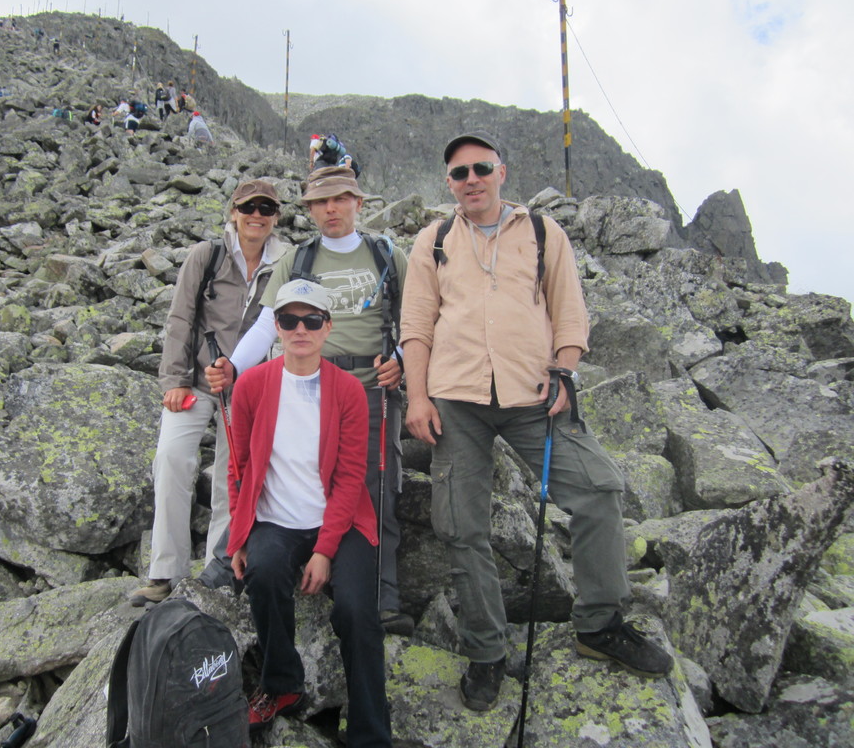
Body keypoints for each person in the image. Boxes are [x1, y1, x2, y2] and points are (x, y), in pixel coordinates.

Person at [400, 130, 674, 711]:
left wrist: (566, 369)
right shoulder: (434, 241)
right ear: (448, 183)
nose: (470, 179)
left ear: (502, 171)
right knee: (460, 526)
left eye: (480, 168)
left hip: (533, 393)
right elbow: (417, 326)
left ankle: (599, 625)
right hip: (454, 400)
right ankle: (486, 652)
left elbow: (568, 311)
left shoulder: (545, 233)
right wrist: (416, 398)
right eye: (458, 173)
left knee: (600, 490)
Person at [206, 166, 412, 635]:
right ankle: (237, 560)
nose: (330, 209)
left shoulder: (387, 254)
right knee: (272, 474)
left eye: (340, 198)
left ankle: (377, 595)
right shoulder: (298, 260)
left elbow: (419, 317)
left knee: (377, 490)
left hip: (373, 389)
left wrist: (400, 358)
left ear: (359, 202)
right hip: (306, 390)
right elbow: (266, 324)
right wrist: (235, 368)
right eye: (320, 202)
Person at [228, 279, 391, 747]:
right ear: (276, 327)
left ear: (327, 327)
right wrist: (239, 536)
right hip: (276, 520)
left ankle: (370, 734)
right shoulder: (253, 386)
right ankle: (281, 684)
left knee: (359, 613)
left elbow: (349, 479)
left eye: (312, 320)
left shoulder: (347, 391)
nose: (301, 329)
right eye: (289, 320)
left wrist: (324, 551)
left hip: (340, 521)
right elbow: (238, 469)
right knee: (262, 569)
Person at [128, 179, 290, 606]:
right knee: (170, 461)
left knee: (230, 476)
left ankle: (217, 568)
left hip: (245, 389)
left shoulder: (285, 262)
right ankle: (165, 572)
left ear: (276, 216)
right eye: (249, 206)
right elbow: (180, 318)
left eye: (267, 207)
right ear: (233, 211)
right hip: (197, 382)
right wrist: (174, 380)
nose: (257, 214)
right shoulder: (208, 256)